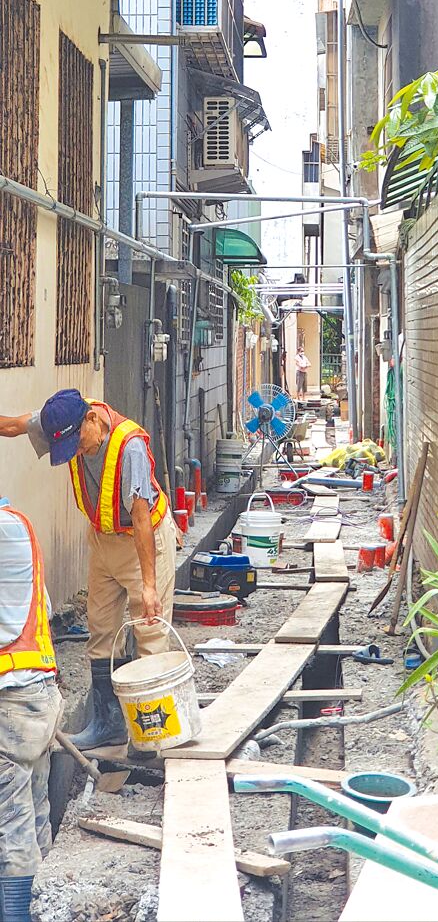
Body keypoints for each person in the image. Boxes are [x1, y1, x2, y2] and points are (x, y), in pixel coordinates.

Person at [0, 390, 176, 750]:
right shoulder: (61, 420)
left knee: (149, 630)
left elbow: (141, 517)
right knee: (101, 629)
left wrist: (148, 585)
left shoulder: (129, 446)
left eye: (78, 443)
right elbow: (14, 425)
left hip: (144, 540)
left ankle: (151, 737)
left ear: (92, 419)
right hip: (103, 539)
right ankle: (109, 724)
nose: (76, 451)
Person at [0, 494, 61, 922]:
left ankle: (19, 913)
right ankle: (45, 907)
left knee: (11, 826)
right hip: (37, 698)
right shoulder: (17, 524)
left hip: (11, 708)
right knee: (35, 809)